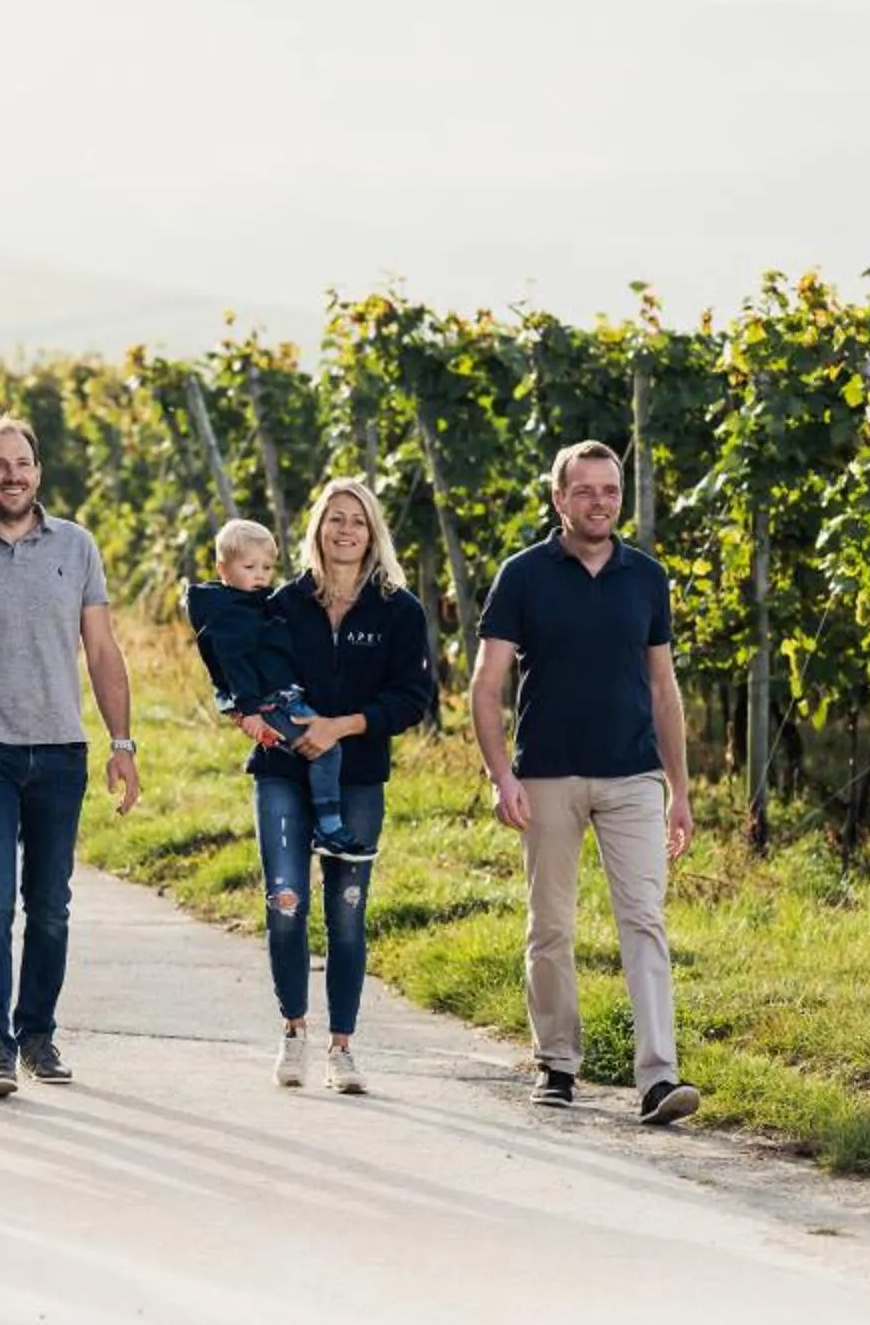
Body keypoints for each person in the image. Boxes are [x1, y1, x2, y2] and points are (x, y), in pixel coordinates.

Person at [469, 439, 702, 1127]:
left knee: (646, 923)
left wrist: (679, 790)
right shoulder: (523, 575)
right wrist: (500, 775)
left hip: (634, 776)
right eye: (586, 490)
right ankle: (557, 1064)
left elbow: (664, 689)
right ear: (558, 498)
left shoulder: (646, 577)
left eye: (611, 490)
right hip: (546, 776)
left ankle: (659, 1079)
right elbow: (487, 687)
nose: (600, 502)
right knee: (552, 927)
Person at [0, 417, 139, 1100]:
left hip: (60, 750)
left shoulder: (77, 545)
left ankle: (37, 1034)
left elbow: (102, 650)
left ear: (39, 470)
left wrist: (122, 744)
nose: (14, 475)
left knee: (50, 906)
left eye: (25, 463)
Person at [216, 477, 434, 1095]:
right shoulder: (281, 603)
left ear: (373, 534)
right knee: (286, 903)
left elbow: (413, 698)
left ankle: (343, 1048)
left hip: (359, 777)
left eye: (357, 521)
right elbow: (240, 664)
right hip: (283, 772)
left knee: (346, 914)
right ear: (316, 530)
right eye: (334, 519)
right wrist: (245, 712)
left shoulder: (399, 611)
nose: (345, 531)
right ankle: (293, 1031)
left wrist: (340, 727)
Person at [187, 518, 369, 860]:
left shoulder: (249, 603)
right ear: (222, 569)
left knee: (309, 750)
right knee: (327, 750)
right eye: (250, 566)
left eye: (267, 567)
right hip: (270, 703)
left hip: (279, 697)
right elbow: (233, 664)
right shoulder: (229, 615)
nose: (260, 575)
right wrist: (249, 711)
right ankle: (329, 828)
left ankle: (311, 805)